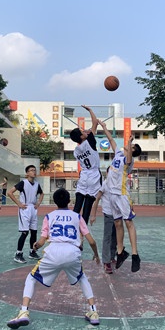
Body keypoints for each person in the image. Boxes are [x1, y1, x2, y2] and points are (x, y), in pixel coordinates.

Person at [6, 188, 101, 329]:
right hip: (72, 252)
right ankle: (93, 312)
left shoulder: (49, 217)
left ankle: (24, 312)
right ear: (70, 201)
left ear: (55, 202)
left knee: (31, 278)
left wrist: (36, 246)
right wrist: (96, 255)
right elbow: (92, 241)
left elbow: (42, 241)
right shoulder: (77, 216)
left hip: (53, 251)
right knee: (82, 278)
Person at [101, 121, 142, 273]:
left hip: (122, 195)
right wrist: (104, 128)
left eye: (131, 146)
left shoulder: (128, 161)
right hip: (112, 195)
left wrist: (130, 143)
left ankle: (135, 255)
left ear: (132, 150)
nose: (127, 145)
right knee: (117, 223)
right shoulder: (118, 154)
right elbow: (111, 140)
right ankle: (120, 252)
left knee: (128, 222)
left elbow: (129, 159)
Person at [69, 105, 102, 224]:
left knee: (77, 207)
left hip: (84, 176)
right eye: (82, 131)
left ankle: (72, 227)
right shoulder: (90, 142)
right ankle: (82, 232)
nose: (85, 131)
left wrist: (86, 133)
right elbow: (95, 123)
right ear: (81, 136)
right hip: (94, 176)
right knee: (87, 209)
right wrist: (90, 110)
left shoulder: (76, 151)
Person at [7, 165, 44, 264]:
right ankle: (18, 254)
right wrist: (19, 203)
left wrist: (38, 203)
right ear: (27, 173)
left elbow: (42, 194)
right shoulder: (23, 183)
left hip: (33, 209)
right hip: (25, 209)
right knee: (25, 232)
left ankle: (32, 252)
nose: (34, 172)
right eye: (31, 170)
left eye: (34, 170)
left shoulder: (37, 184)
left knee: (34, 231)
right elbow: (10, 192)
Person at [90, 168, 118, 274]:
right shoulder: (105, 184)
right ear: (107, 173)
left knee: (116, 237)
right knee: (107, 237)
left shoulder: (118, 183)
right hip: (108, 214)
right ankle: (106, 261)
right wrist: (93, 215)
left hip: (118, 215)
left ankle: (112, 256)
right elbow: (97, 199)